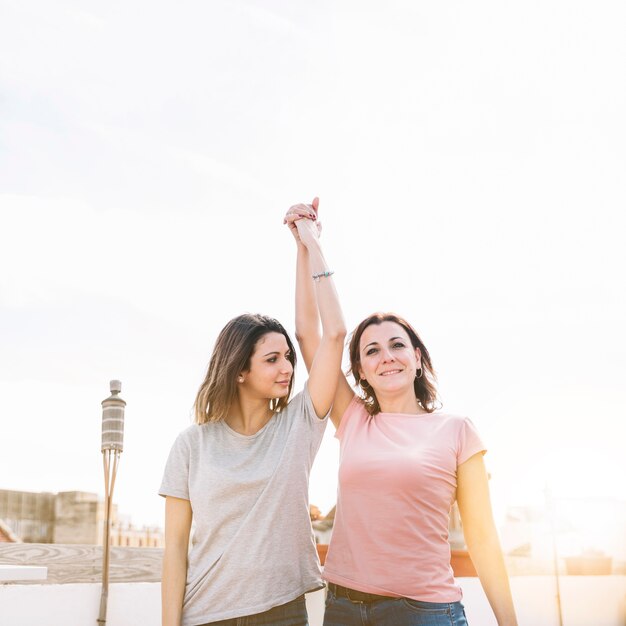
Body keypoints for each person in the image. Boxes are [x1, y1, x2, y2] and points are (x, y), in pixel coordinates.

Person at [284, 202, 518, 626]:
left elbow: (483, 539)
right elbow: (308, 333)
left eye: (396, 345)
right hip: (343, 608)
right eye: (371, 350)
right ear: (361, 372)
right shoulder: (353, 419)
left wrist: (510, 623)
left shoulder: (457, 431)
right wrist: (306, 244)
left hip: (424, 612)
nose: (386, 356)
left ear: (416, 357)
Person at [160, 204, 346, 626]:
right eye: (271, 359)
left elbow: (326, 332)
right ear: (240, 370)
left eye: (288, 358)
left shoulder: (300, 424)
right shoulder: (192, 444)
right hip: (206, 614)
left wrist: (309, 244)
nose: (287, 368)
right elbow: (174, 548)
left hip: (282, 613)